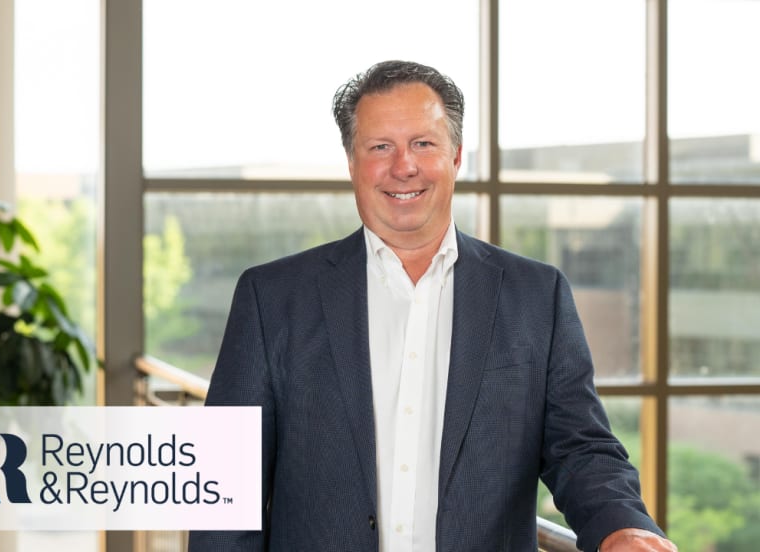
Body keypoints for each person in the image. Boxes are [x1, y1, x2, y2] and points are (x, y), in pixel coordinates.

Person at [189, 60, 677, 552]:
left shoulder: (537, 296)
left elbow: (581, 449)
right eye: (381, 147)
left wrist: (624, 529)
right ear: (352, 162)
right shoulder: (270, 298)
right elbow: (225, 496)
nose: (404, 166)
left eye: (423, 144)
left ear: (457, 156)